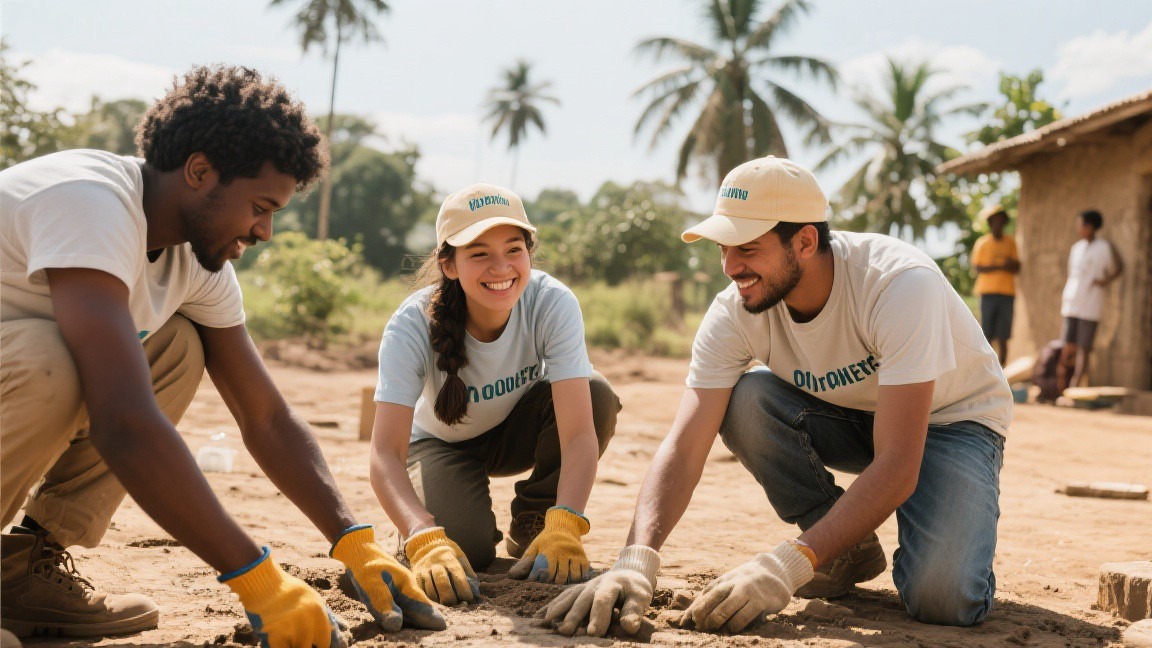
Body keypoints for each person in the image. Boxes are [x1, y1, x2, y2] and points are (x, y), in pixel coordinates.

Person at [0, 65, 443, 646]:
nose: (264, 232)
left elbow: (265, 416)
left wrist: (352, 540)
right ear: (200, 171)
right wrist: (257, 579)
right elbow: (124, 424)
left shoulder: (194, 260)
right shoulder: (92, 204)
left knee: (177, 348)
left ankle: (19, 573)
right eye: (260, 206)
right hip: (26, 361)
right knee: (54, 361)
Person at [543, 156, 1012, 637]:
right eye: (724, 249)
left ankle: (851, 544)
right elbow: (684, 445)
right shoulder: (734, 311)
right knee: (748, 400)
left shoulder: (898, 286)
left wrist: (787, 566)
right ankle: (844, 548)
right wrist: (636, 558)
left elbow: (897, 464)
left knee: (944, 599)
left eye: (747, 248)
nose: (730, 267)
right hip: (849, 416)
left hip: (951, 423)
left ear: (805, 241)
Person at [368, 183, 620, 606]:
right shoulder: (410, 325)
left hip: (516, 430)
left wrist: (567, 523)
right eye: (479, 253)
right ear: (448, 264)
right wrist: (421, 535)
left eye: (514, 249)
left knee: (596, 392)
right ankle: (425, 519)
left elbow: (578, 434)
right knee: (468, 552)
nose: (501, 267)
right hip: (439, 445)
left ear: (529, 253)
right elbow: (384, 454)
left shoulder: (551, 302)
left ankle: (536, 524)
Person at [1059, 210, 1121, 388]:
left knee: (1084, 347)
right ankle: (1062, 383)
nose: (1079, 229)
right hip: (1072, 301)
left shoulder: (1103, 248)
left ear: (1091, 226)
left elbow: (1118, 267)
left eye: (1082, 225)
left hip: (1091, 302)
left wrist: (1105, 280)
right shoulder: (1076, 248)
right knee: (1068, 344)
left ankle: (1076, 384)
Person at [971, 204, 1020, 366]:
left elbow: (1016, 266)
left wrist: (995, 266)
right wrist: (1002, 265)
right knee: (987, 335)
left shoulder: (1010, 243)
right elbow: (978, 267)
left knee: (1004, 335)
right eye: (995, 221)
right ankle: (987, 369)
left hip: (1006, 294)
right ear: (990, 223)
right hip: (988, 294)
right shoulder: (982, 243)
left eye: (1001, 221)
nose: (998, 224)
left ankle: (1003, 371)